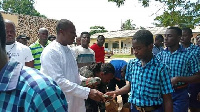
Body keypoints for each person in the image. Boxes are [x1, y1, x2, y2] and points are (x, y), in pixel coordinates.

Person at [0, 13, 68, 112]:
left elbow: (31, 66)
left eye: (12, 31)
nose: (10, 34)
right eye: (7, 31)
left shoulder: (40, 92)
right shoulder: (33, 47)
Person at [40, 19, 105, 112]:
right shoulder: (50, 52)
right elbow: (59, 81)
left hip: (75, 100)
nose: (75, 35)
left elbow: (74, 74)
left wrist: (86, 80)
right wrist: (87, 92)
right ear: (62, 32)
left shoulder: (70, 51)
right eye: (72, 32)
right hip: (59, 101)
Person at [106, 30, 173, 112]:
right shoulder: (132, 64)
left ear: (150, 47)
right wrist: (116, 92)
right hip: (134, 109)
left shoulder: (161, 69)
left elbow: (167, 98)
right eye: (133, 48)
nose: (135, 52)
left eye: (138, 48)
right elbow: (130, 86)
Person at [156, 27, 200, 112]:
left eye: (169, 36)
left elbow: (198, 77)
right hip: (162, 93)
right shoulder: (160, 56)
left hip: (180, 92)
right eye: (165, 35)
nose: (165, 38)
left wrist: (179, 79)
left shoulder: (189, 55)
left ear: (179, 38)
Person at [181, 27, 200, 112]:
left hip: (194, 84)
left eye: (185, 35)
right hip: (180, 86)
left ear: (191, 36)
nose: (182, 38)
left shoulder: (197, 50)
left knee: (194, 107)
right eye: (181, 35)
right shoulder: (176, 50)